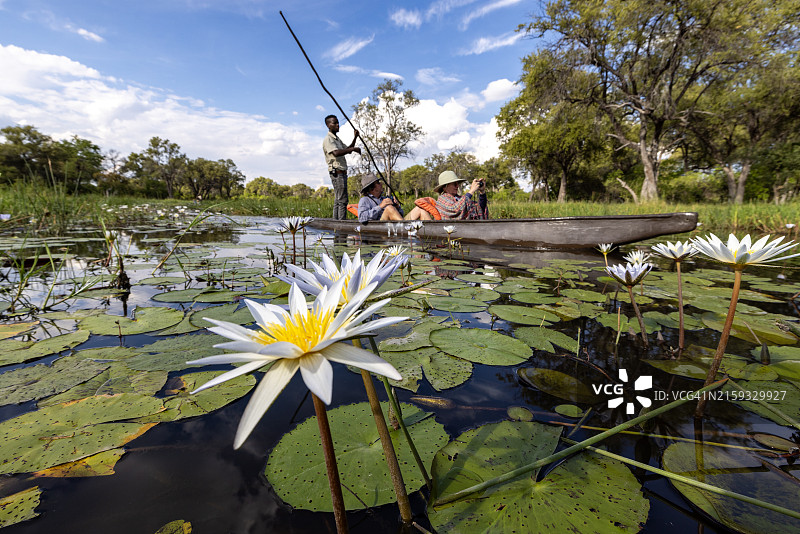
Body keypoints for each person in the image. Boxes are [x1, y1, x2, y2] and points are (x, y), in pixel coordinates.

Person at [323, 115, 361, 220]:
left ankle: (336, 222)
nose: (337, 125)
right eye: (334, 123)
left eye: (338, 122)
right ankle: (341, 223)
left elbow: (347, 149)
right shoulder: (328, 139)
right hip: (337, 173)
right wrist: (353, 149)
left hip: (341, 172)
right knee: (343, 200)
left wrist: (355, 137)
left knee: (338, 199)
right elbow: (336, 153)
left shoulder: (337, 139)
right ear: (328, 125)